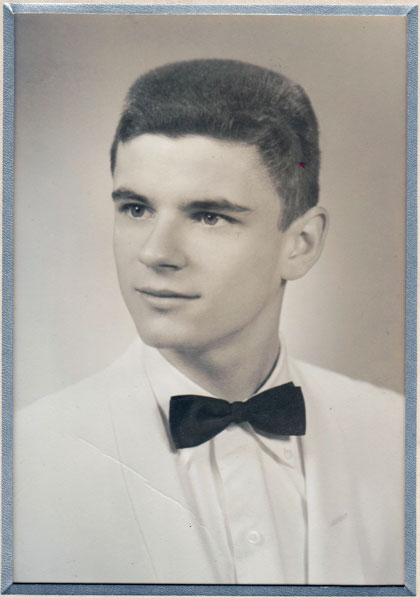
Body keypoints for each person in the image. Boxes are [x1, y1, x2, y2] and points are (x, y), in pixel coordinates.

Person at [14, 59, 404, 585]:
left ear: (301, 244)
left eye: (208, 216)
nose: (156, 252)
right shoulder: (25, 459)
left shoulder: (400, 437)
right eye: (136, 209)